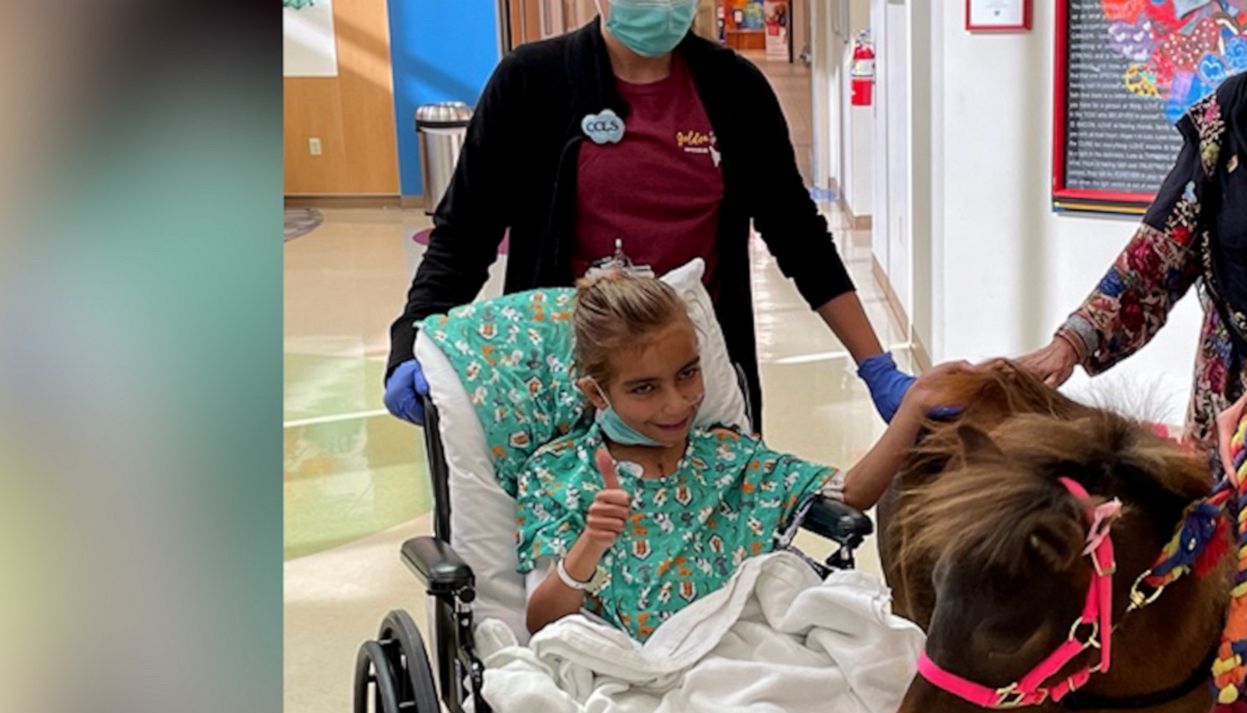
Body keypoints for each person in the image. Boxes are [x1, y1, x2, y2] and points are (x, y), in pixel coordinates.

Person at [382, 0, 916, 431]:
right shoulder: (531, 83)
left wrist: (876, 367)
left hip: (696, 386)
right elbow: (462, 239)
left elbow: (801, 238)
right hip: (568, 381)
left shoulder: (734, 90)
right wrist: (411, 341)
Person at [1018, 72, 1247, 713]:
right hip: (1236, 405)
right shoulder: (1233, 116)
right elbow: (1158, 253)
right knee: (1225, 591)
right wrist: (1071, 343)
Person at [516, 270, 968, 640]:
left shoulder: (730, 458)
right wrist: (589, 546)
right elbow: (542, 622)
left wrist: (915, 405)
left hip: (741, 664)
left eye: (688, 374)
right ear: (597, 392)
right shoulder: (557, 475)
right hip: (626, 684)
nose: (676, 403)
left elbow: (850, 492)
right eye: (644, 388)